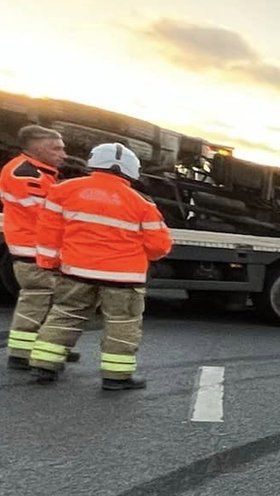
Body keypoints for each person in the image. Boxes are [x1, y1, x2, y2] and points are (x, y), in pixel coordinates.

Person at [29, 143, 172, 389]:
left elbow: (49, 232)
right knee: (122, 324)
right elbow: (159, 246)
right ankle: (116, 377)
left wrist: (49, 262)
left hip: (76, 271)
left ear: (94, 162)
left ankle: (44, 365)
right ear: (131, 171)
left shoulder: (63, 191)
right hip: (124, 278)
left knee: (65, 314)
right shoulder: (142, 204)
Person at [0, 125, 79, 370]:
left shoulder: (34, 171)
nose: (63, 155)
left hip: (35, 249)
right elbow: (46, 213)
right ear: (36, 148)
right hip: (33, 250)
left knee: (41, 300)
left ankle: (38, 349)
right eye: (57, 149)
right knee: (37, 300)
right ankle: (23, 355)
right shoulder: (26, 174)